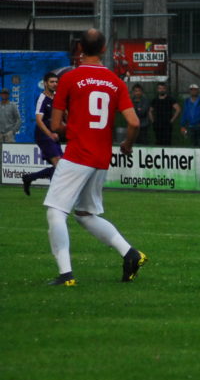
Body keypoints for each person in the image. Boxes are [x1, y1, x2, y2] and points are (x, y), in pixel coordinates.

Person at [41, 28, 146, 286]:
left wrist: (73, 126)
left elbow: (55, 126)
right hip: (100, 157)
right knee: (85, 214)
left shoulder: (69, 78)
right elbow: (134, 122)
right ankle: (130, 253)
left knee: (55, 211)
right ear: (104, 49)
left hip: (78, 154)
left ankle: (66, 275)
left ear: (79, 48)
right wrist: (127, 144)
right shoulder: (115, 81)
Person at [22, 73, 63, 195]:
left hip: (53, 134)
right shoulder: (42, 98)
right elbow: (39, 121)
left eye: (56, 82)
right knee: (59, 164)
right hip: (44, 135)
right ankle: (55, 194)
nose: (54, 84)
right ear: (45, 83)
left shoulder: (57, 97)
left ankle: (29, 178)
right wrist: (50, 134)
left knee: (62, 166)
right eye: (52, 82)